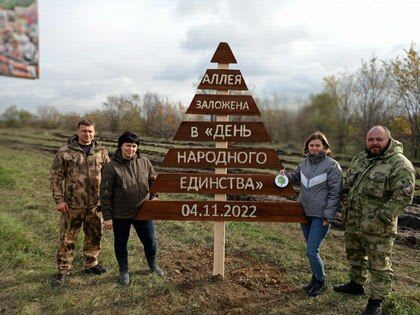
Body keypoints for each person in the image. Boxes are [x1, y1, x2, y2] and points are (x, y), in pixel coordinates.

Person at [334, 126, 415, 315]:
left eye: (379, 139)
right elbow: (348, 186)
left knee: (379, 265)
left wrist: (380, 219)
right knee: (354, 255)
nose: (374, 143)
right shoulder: (361, 159)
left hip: (379, 228)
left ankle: (376, 301)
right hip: (354, 222)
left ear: (388, 140)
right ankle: (356, 284)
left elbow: (402, 197)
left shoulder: (399, 164)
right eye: (370, 140)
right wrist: (346, 208)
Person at [279, 131, 342, 296]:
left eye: (318, 145)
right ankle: (314, 279)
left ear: (324, 147)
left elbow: (336, 193)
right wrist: (284, 176)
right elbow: (294, 178)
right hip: (304, 213)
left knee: (312, 251)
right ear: (307, 146)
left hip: (320, 216)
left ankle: (321, 281)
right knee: (310, 249)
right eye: (311, 145)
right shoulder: (304, 163)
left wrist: (329, 216)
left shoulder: (332, 166)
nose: (314, 148)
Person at [50, 119, 110, 286]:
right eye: (84, 131)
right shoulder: (65, 151)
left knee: (94, 236)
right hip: (72, 205)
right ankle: (63, 270)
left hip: (95, 205)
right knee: (67, 239)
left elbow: (109, 177)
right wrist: (59, 199)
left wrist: (107, 200)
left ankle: (91, 264)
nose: (87, 134)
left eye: (90, 131)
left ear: (94, 132)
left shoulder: (101, 152)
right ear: (77, 131)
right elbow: (55, 177)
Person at [100, 131, 163, 285]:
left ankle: (153, 265)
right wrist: (107, 217)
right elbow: (105, 194)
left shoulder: (144, 162)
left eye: (134, 146)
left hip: (143, 210)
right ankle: (124, 270)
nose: (131, 149)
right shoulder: (111, 167)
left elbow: (153, 180)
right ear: (120, 146)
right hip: (121, 213)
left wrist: (154, 196)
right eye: (128, 146)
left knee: (150, 241)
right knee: (121, 243)